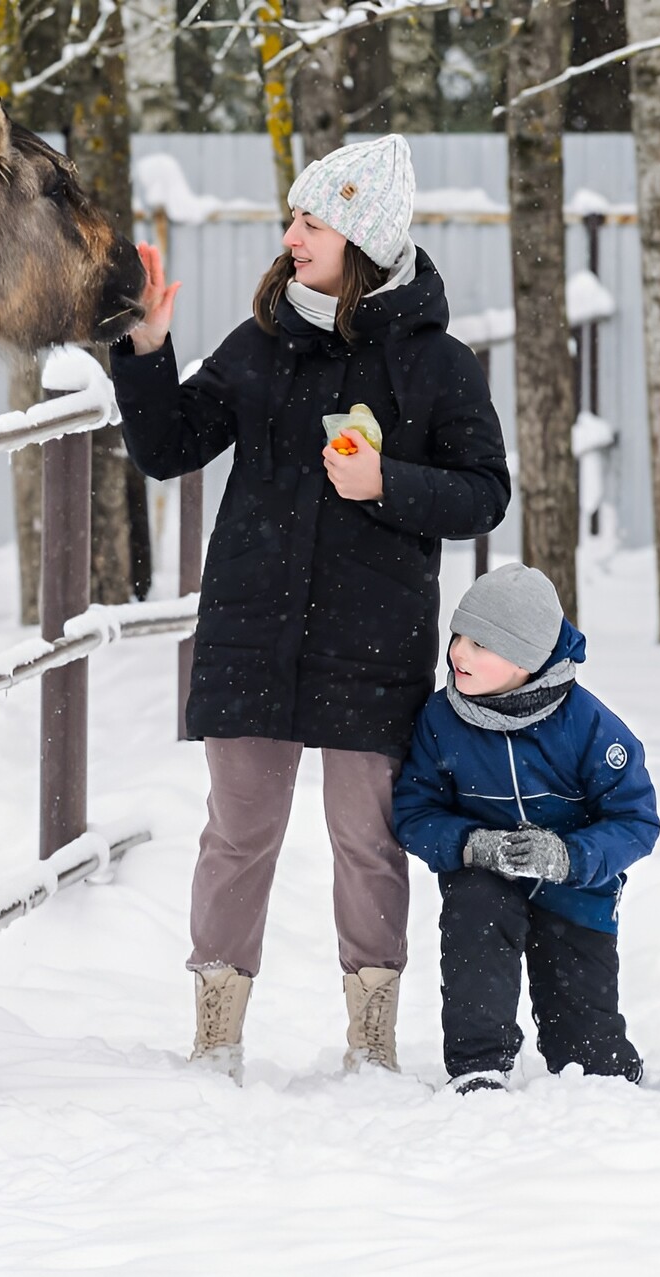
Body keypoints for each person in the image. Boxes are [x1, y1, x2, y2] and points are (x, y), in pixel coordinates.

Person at [109, 134, 510, 1078]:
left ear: (360, 235)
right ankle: (216, 1033)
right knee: (238, 833)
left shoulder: (438, 365)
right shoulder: (260, 345)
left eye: (311, 221)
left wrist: (387, 484)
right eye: (293, 218)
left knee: (366, 840)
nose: (290, 235)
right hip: (253, 631)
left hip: (374, 643)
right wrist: (147, 349)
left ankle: (369, 1039)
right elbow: (169, 446)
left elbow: (485, 492)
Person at [392, 564, 659, 1093]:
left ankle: (600, 1061)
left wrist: (568, 857)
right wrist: (471, 846)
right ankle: (478, 1065)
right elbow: (414, 810)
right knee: (475, 916)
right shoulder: (441, 718)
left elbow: (636, 821)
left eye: (482, 645)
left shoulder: (590, 727)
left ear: (528, 660)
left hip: (575, 888)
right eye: (459, 636)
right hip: (486, 880)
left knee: (589, 1060)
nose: (459, 655)